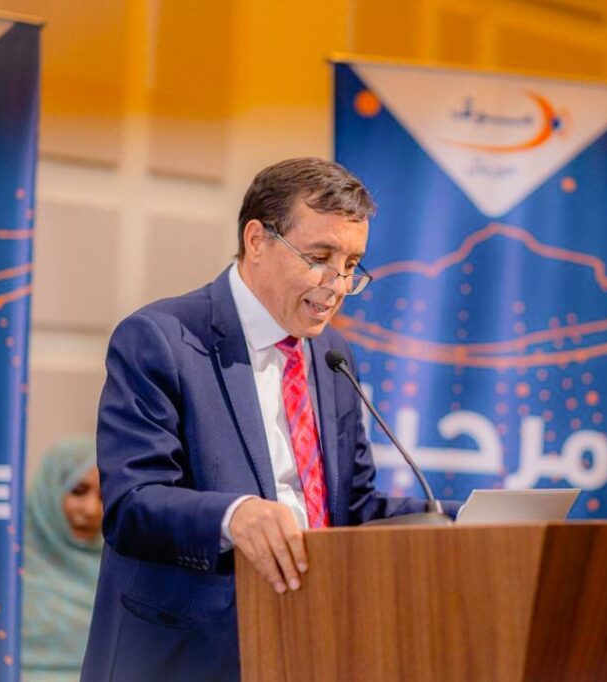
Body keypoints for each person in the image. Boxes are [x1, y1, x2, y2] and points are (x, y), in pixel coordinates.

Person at [81, 158, 459, 680]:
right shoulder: (161, 338)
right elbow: (132, 503)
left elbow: (349, 508)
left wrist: (464, 520)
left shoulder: (333, 355)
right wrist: (234, 516)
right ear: (257, 240)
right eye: (320, 258)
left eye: (352, 264)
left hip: (309, 642)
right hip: (188, 654)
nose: (338, 284)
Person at [21, 437, 103, 682]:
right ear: (49, 491)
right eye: (78, 491)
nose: (91, 510)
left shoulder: (127, 577)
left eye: (104, 496)